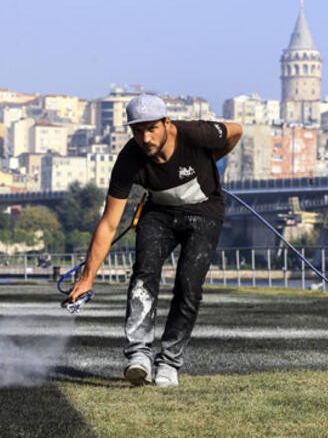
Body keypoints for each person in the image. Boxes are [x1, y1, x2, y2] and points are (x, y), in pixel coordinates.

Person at [67, 94, 242, 387]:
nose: (145, 138)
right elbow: (109, 223)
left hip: (204, 211)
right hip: (158, 213)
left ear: (166, 123)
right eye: (138, 131)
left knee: (189, 284)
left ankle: (170, 363)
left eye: (151, 129)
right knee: (143, 275)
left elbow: (236, 129)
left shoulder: (196, 134)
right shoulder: (128, 159)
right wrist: (87, 278)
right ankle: (139, 356)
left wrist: (213, 158)